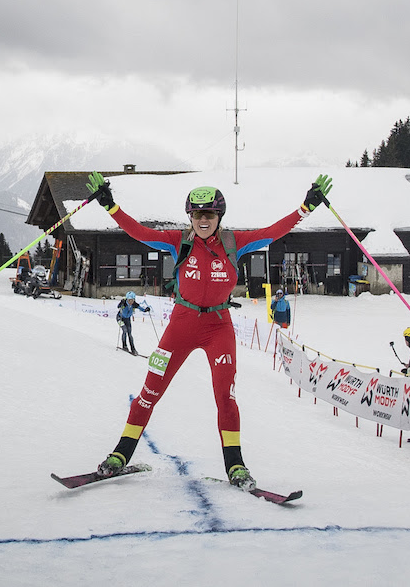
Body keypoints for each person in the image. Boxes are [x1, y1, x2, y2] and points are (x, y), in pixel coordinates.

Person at [88, 170, 333, 489]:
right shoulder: (178, 241)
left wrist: (306, 207)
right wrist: (110, 205)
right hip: (181, 325)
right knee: (150, 391)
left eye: (209, 214)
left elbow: (273, 232)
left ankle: (236, 467)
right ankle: (120, 455)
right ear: (189, 216)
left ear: (219, 216)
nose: (203, 220)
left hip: (218, 327)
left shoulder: (235, 242)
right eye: (197, 214)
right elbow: (138, 232)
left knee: (226, 397)